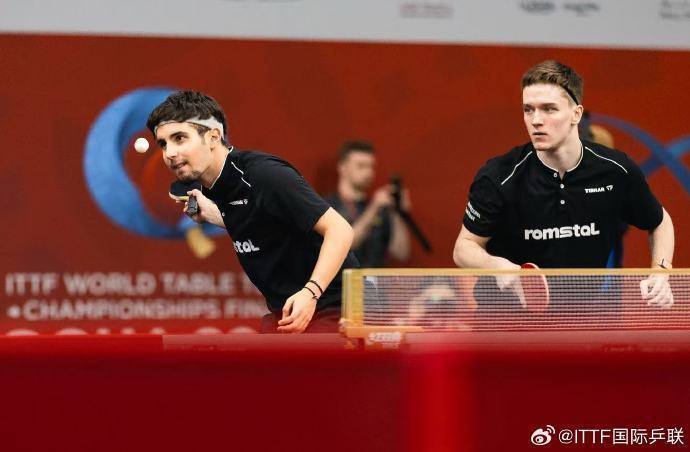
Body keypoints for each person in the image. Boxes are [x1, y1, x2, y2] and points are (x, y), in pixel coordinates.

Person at [453, 60, 675, 310]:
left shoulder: (615, 171)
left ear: (576, 114)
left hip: (580, 316)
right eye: (528, 110)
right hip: (505, 316)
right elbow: (464, 247)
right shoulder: (498, 176)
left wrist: (661, 271)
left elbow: (659, 222)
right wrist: (497, 266)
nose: (536, 120)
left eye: (549, 109)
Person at [146, 91, 358, 333]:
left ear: (213, 137)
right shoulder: (213, 188)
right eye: (163, 144)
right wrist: (219, 216)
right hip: (286, 313)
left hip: (335, 309)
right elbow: (265, 224)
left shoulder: (264, 175)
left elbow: (340, 230)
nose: (169, 153)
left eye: (180, 138)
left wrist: (311, 292)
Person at [324, 140, 410, 267]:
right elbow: (343, 246)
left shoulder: (381, 208)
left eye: (371, 166)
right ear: (342, 167)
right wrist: (374, 208)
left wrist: (397, 213)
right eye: (361, 166)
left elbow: (401, 253)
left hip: (374, 279)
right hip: (343, 278)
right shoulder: (328, 206)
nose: (368, 172)